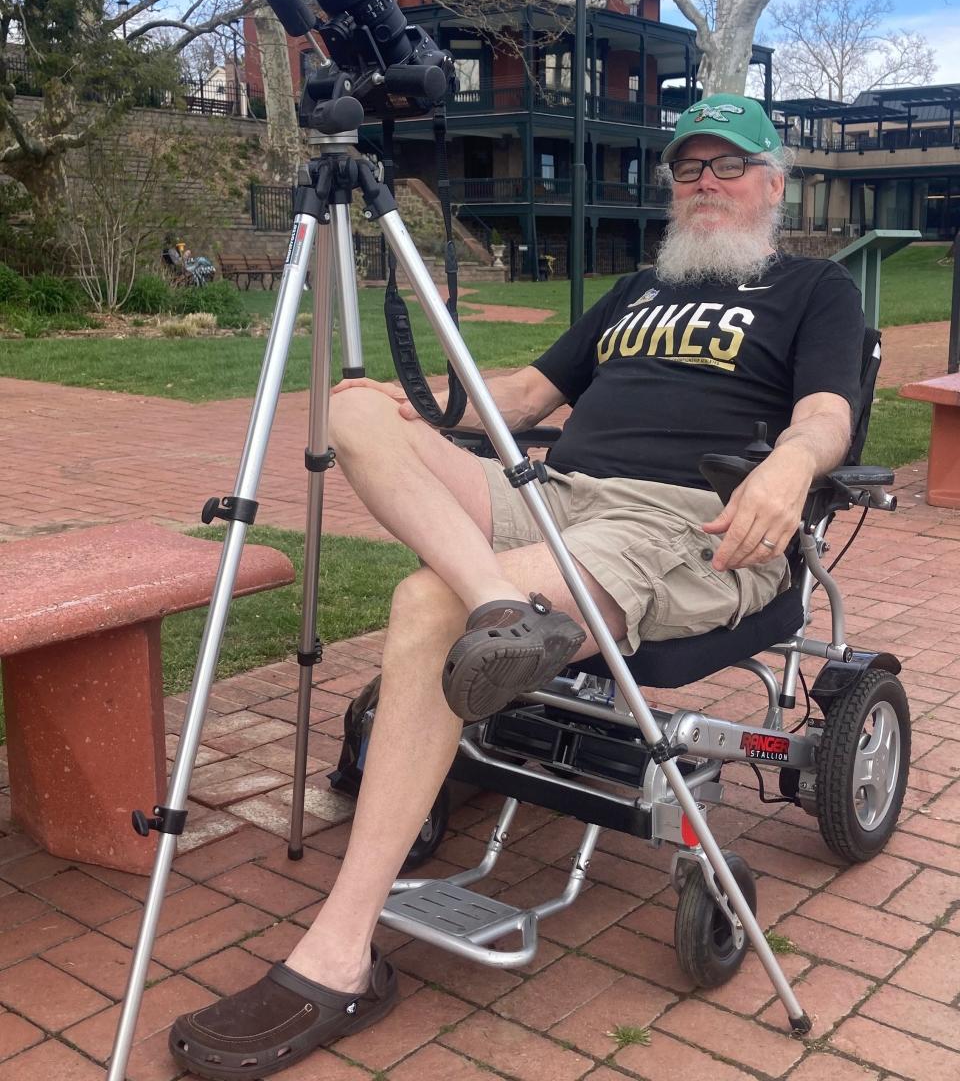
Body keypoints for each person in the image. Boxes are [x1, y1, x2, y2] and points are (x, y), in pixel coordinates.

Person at [169, 93, 865, 1078]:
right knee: (354, 408)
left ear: (773, 183)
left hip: (676, 519)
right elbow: (528, 398)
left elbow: (829, 412)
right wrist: (424, 409)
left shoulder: (813, 289)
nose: (705, 184)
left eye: (728, 166)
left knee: (423, 603)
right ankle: (500, 603)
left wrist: (790, 467)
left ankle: (341, 946)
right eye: (688, 169)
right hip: (554, 490)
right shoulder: (638, 288)